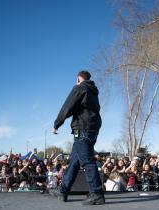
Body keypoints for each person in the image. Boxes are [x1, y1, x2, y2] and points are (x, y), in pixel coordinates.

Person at [50, 71, 105, 205]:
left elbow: (67, 106)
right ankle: (63, 190)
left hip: (81, 129)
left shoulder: (80, 87)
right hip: (93, 128)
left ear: (79, 79)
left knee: (87, 161)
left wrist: (57, 124)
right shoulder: (93, 92)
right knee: (75, 160)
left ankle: (97, 193)